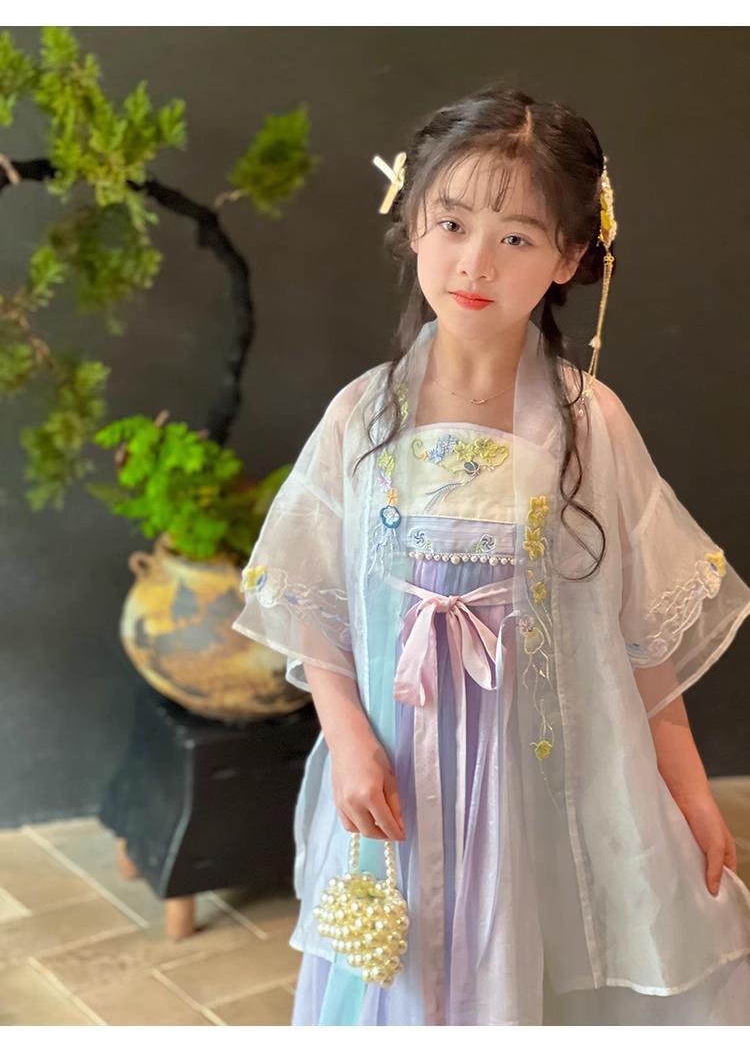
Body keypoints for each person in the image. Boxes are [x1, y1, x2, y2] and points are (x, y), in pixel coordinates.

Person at [233, 85, 750, 1025]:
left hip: (535, 785)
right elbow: (313, 597)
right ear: (412, 225)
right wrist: (347, 738)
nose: (476, 261)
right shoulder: (362, 417)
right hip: (396, 775)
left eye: (517, 237)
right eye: (454, 223)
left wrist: (688, 790)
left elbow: (644, 639)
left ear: (570, 257)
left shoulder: (590, 424)